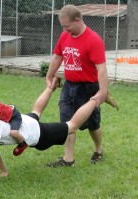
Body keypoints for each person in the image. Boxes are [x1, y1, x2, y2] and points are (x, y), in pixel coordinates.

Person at [0, 77, 98, 193]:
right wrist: (4, 171)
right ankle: (53, 83)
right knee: (36, 111)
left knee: (71, 126)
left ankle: (97, 98)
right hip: (22, 121)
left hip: (35, 132)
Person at [46, 4, 110, 167]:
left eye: (67, 26)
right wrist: (49, 75)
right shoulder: (65, 36)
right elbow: (57, 57)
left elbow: (101, 69)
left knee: (92, 125)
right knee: (66, 123)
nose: (65, 29)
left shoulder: (93, 40)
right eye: (63, 26)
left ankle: (98, 150)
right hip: (69, 86)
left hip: (88, 89)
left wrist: (103, 92)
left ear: (77, 20)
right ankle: (68, 159)